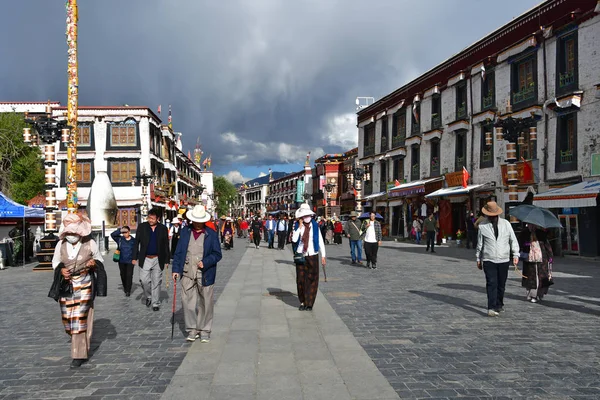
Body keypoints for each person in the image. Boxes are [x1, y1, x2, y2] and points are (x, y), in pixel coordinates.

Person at [51, 213, 106, 368]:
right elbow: (55, 262)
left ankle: (79, 354)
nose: (71, 235)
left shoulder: (90, 243)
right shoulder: (60, 245)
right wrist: (61, 270)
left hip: (85, 283)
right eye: (68, 232)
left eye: (74, 232)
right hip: (67, 286)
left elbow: (99, 260)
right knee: (69, 320)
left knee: (80, 317)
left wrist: (92, 264)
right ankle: (79, 342)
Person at [172, 205, 222, 342]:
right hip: (187, 271)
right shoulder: (185, 232)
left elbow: (218, 254)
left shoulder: (211, 234)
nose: (198, 223)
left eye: (200, 221)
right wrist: (176, 269)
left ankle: (205, 330)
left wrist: (206, 262)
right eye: (196, 221)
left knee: (205, 302)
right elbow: (178, 252)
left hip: (205, 273)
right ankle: (192, 329)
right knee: (187, 302)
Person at [475, 201, 520, 317]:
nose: (491, 217)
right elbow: (480, 244)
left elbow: (513, 240)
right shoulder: (482, 226)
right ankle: (491, 307)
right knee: (491, 283)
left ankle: (499, 304)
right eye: (489, 215)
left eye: (493, 215)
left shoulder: (506, 224)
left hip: (504, 258)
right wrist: (478, 258)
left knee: (501, 284)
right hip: (489, 259)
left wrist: (515, 255)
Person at [132, 208, 170, 311]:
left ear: (158, 218)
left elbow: (166, 245)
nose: (150, 220)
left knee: (156, 281)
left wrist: (167, 260)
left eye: (153, 218)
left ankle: (155, 303)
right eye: (149, 218)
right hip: (145, 258)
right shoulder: (142, 227)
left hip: (158, 259)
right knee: (144, 280)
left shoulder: (163, 229)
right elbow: (136, 243)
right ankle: (148, 296)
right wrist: (134, 257)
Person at [291, 204, 326, 311]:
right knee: (301, 280)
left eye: (308, 215)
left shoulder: (315, 226)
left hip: (312, 254)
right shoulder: (297, 225)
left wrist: (323, 255)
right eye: (304, 216)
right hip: (301, 255)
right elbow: (294, 239)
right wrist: (300, 227)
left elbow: (320, 240)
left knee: (312, 279)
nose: (307, 217)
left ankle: (309, 303)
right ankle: (302, 302)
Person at [518, 224, 554, 303]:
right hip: (529, 258)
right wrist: (527, 245)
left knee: (542, 276)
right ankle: (532, 295)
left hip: (542, 258)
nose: (532, 226)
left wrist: (550, 257)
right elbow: (520, 244)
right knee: (531, 277)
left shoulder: (541, 233)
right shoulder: (524, 233)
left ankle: (540, 294)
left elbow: (547, 245)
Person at [110, 225, 136, 297]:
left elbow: (136, 250)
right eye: (123, 233)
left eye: (126, 232)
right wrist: (120, 230)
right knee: (123, 275)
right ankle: (125, 287)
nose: (125, 234)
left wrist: (135, 258)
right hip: (121, 260)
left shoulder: (134, 240)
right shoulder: (120, 239)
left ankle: (128, 290)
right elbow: (112, 235)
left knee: (129, 275)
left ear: (129, 232)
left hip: (130, 261)